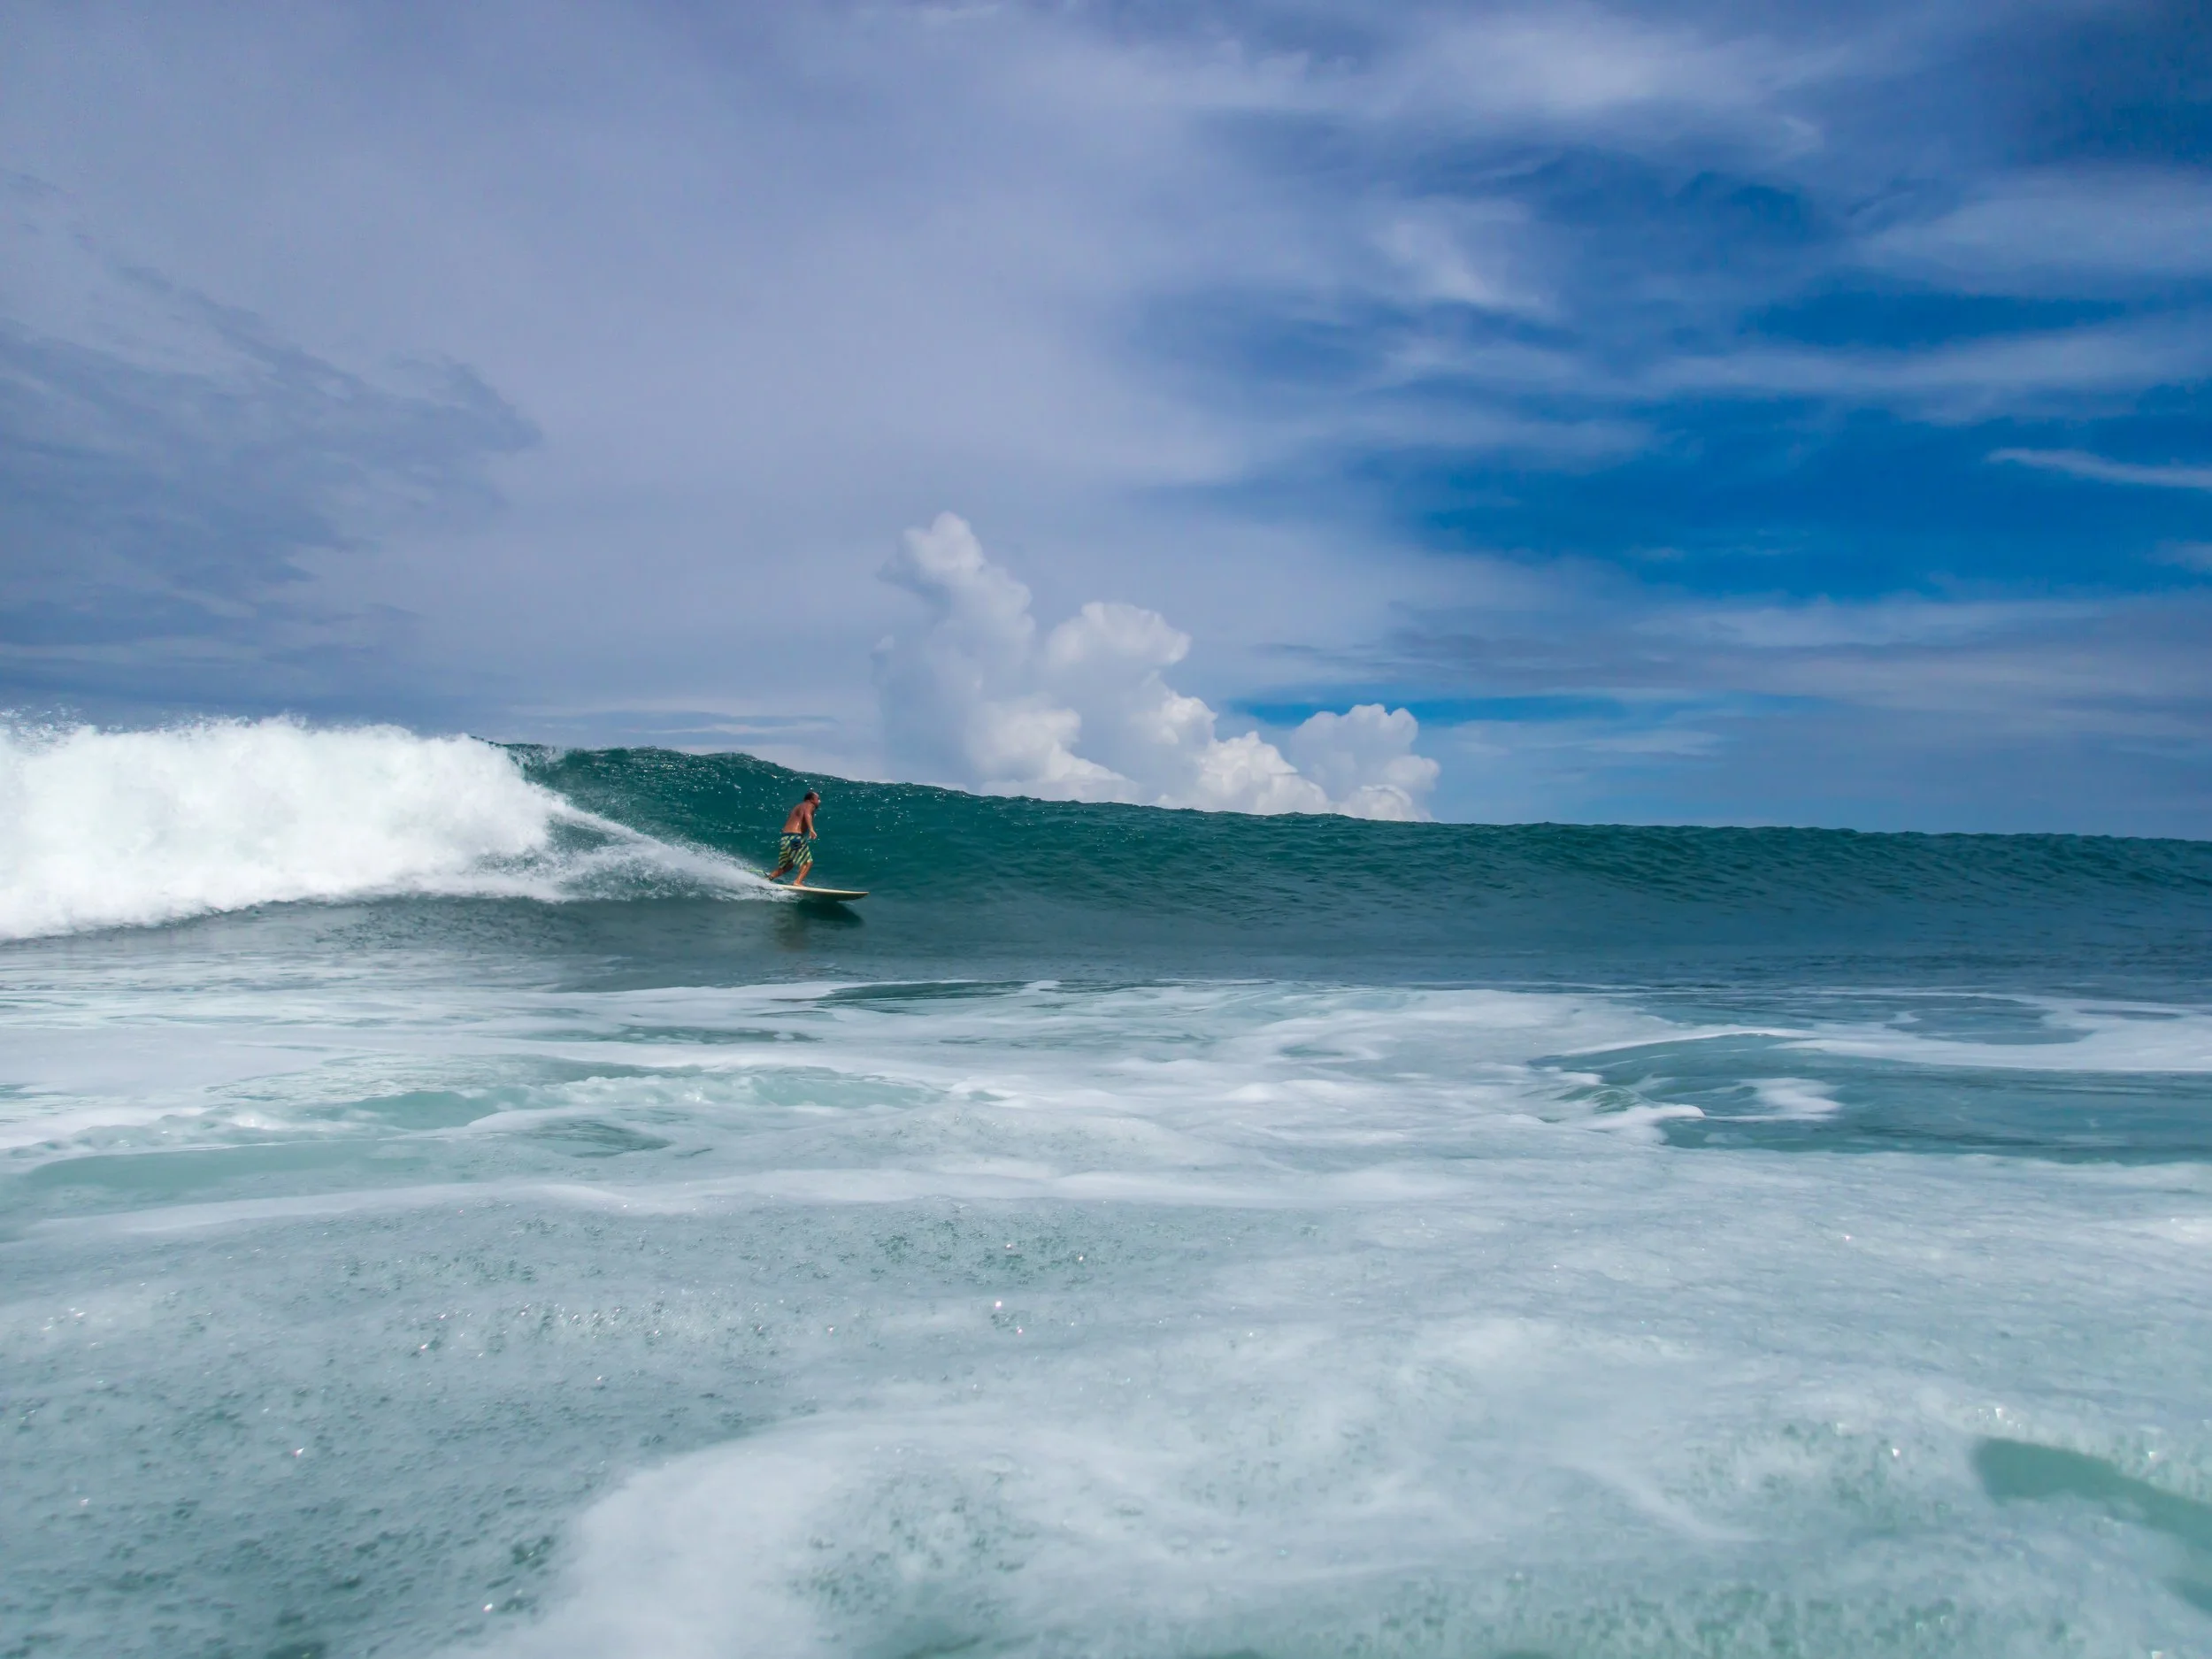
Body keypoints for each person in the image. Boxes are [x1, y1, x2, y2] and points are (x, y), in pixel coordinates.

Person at [766, 789, 821, 886]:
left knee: (788, 865)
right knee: (808, 862)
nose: (820, 801)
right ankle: (797, 882)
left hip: (785, 838)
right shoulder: (809, 805)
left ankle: (768, 879)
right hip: (795, 838)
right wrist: (811, 829)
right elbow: (807, 815)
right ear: (812, 799)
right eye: (818, 799)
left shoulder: (798, 806)